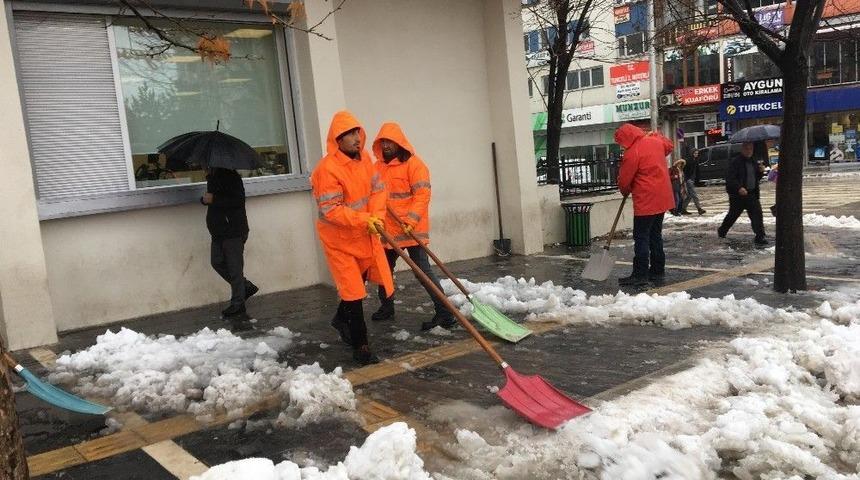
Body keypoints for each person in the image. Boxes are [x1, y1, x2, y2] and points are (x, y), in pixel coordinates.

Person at [311, 111, 394, 365]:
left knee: (357, 284)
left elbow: (379, 191)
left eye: (357, 132)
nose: (357, 138)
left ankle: (339, 319)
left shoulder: (366, 160)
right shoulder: (328, 169)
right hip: (338, 240)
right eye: (349, 134)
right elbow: (331, 209)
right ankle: (362, 347)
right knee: (353, 292)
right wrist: (363, 220)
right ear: (338, 139)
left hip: (362, 235)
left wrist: (376, 217)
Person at [370, 122, 455, 331]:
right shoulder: (377, 168)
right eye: (383, 142)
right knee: (384, 270)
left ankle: (445, 314)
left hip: (410, 229)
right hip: (387, 231)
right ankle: (387, 307)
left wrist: (411, 221)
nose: (387, 145)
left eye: (390, 141)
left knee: (422, 272)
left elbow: (422, 195)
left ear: (400, 143)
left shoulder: (415, 165)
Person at [615, 123, 675, 287]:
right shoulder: (655, 142)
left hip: (646, 201)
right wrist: (657, 135)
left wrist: (625, 190)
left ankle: (640, 274)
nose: (621, 145)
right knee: (656, 234)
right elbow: (669, 146)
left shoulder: (632, 152)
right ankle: (657, 270)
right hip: (662, 198)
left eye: (621, 142)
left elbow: (625, 180)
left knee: (641, 237)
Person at [201, 167, 258, 331]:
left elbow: (237, 201)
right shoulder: (212, 176)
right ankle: (245, 287)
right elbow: (212, 201)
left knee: (234, 268)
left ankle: (238, 304)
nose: (204, 164)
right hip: (218, 231)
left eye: (206, 162)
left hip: (233, 231)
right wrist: (204, 200)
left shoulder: (231, 177)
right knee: (217, 262)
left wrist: (214, 199)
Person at [717, 142, 768, 246]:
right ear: (742, 149)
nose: (749, 151)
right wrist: (739, 188)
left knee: (757, 215)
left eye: (751, 149)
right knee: (733, 215)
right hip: (738, 196)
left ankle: (760, 236)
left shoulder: (754, 161)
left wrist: (761, 172)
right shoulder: (736, 162)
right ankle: (722, 230)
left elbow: (755, 178)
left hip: (752, 194)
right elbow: (730, 178)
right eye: (747, 149)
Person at [680, 149, 706, 215]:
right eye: (695, 153)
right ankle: (699, 209)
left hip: (692, 179)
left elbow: (697, 170)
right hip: (688, 180)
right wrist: (686, 179)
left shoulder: (696, 160)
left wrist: (697, 180)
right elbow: (683, 170)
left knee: (689, 196)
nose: (696, 155)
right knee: (694, 195)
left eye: (697, 153)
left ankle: (682, 209)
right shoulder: (687, 160)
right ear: (692, 153)